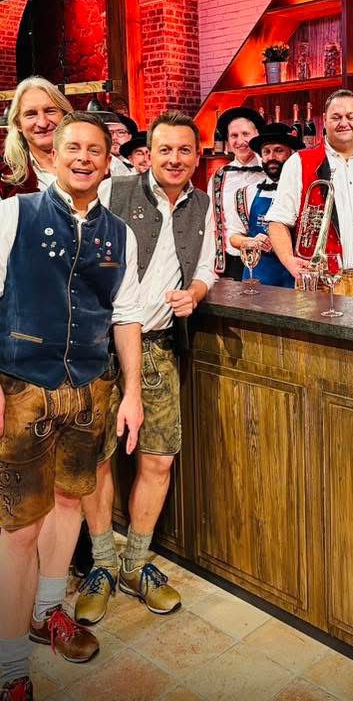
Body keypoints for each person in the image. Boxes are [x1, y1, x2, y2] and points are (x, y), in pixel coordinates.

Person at [0, 112, 143, 701]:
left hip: (90, 389)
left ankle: (46, 612)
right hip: (22, 389)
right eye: (73, 148)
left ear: (108, 162)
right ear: (53, 156)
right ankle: (11, 666)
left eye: (94, 151)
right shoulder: (14, 214)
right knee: (17, 528)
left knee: (67, 505)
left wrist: (132, 392)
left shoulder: (121, 234)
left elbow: (126, 316)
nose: (84, 158)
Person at [75, 111, 215, 626]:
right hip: (97, 348)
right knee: (96, 460)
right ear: (147, 155)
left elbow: (206, 266)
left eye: (184, 150)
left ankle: (135, 563)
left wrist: (195, 292)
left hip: (156, 348)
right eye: (165, 150)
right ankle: (103, 564)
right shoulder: (113, 190)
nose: (175, 159)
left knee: (158, 460)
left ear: (197, 156)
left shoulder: (203, 204)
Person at [267, 89, 353, 299]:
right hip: (318, 283)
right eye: (336, 117)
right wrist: (289, 260)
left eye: (350, 116)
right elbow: (277, 221)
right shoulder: (299, 162)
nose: (344, 123)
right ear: (324, 120)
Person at [229, 123, 302, 287]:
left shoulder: (302, 193)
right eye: (266, 152)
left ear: (292, 154)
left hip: (294, 279)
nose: (271, 157)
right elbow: (233, 237)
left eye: (278, 151)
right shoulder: (245, 193)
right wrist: (251, 242)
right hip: (256, 280)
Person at [209, 107, 265, 279]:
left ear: (257, 135)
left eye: (245, 134)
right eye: (234, 135)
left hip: (266, 258)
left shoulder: (270, 171)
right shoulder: (218, 176)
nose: (240, 141)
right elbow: (212, 223)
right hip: (229, 262)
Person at [0, 76, 73, 198]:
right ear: (18, 124)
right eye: (31, 114)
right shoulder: (4, 181)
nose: (42, 123)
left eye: (50, 111)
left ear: (65, 116)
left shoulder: (99, 165)